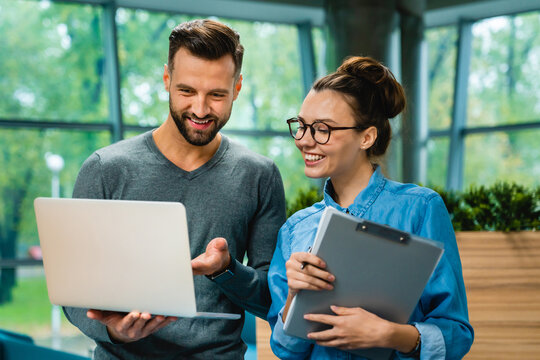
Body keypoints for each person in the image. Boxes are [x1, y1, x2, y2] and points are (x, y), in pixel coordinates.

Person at [63, 19, 286, 359]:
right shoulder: (105, 169)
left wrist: (227, 270)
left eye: (216, 95)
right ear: (167, 79)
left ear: (237, 87)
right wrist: (114, 330)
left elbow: (272, 298)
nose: (200, 109)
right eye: (186, 91)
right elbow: (73, 292)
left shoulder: (260, 176)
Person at [267, 56, 474, 359]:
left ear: (366, 136)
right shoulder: (295, 229)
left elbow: (457, 335)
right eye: (301, 125)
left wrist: (390, 334)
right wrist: (294, 300)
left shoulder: (420, 209)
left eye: (322, 129)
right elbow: (285, 350)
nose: (305, 141)